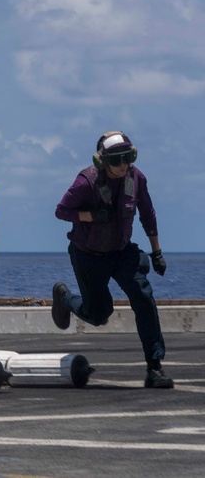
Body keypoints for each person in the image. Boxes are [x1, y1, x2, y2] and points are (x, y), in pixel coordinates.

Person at [52, 131, 173, 388]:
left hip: (121, 252)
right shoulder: (86, 182)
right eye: (117, 160)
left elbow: (148, 214)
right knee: (99, 314)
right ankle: (64, 298)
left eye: (127, 159)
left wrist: (157, 252)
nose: (123, 166)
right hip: (88, 255)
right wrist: (91, 216)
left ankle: (155, 368)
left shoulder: (136, 178)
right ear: (102, 161)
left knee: (143, 297)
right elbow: (61, 211)